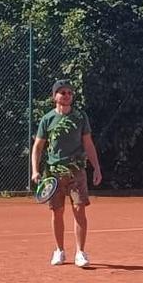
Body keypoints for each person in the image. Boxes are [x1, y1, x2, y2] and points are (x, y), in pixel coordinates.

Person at [32, 79, 102, 267]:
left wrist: (96, 167)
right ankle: (59, 251)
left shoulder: (80, 117)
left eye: (70, 92)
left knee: (79, 209)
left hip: (76, 171)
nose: (67, 95)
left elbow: (88, 143)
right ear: (54, 96)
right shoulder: (47, 119)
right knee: (57, 212)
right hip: (53, 173)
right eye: (62, 92)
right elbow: (38, 147)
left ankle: (80, 252)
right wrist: (35, 170)